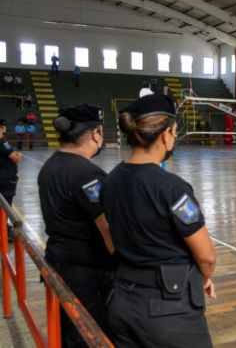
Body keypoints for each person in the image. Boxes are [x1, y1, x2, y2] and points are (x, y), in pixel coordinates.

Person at [101, 94, 216, 347]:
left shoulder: (109, 181)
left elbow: (110, 237)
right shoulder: (172, 188)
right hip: (168, 311)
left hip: (122, 299)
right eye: (175, 132)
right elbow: (207, 257)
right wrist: (202, 276)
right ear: (165, 135)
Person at [37, 105, 114, 348]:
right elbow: (107, 228)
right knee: (90, 335)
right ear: (95, 134)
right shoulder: (87, 174)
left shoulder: (51, 166)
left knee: (69, 331)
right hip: (88, 273)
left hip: (60, 262)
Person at [0, 119, 22, 242]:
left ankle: (4, 228)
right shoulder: (2, 144)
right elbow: (16, 157)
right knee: (5, 206)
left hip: (5, 178)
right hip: (5, 180)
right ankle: (4, 232)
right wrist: (17, 155)